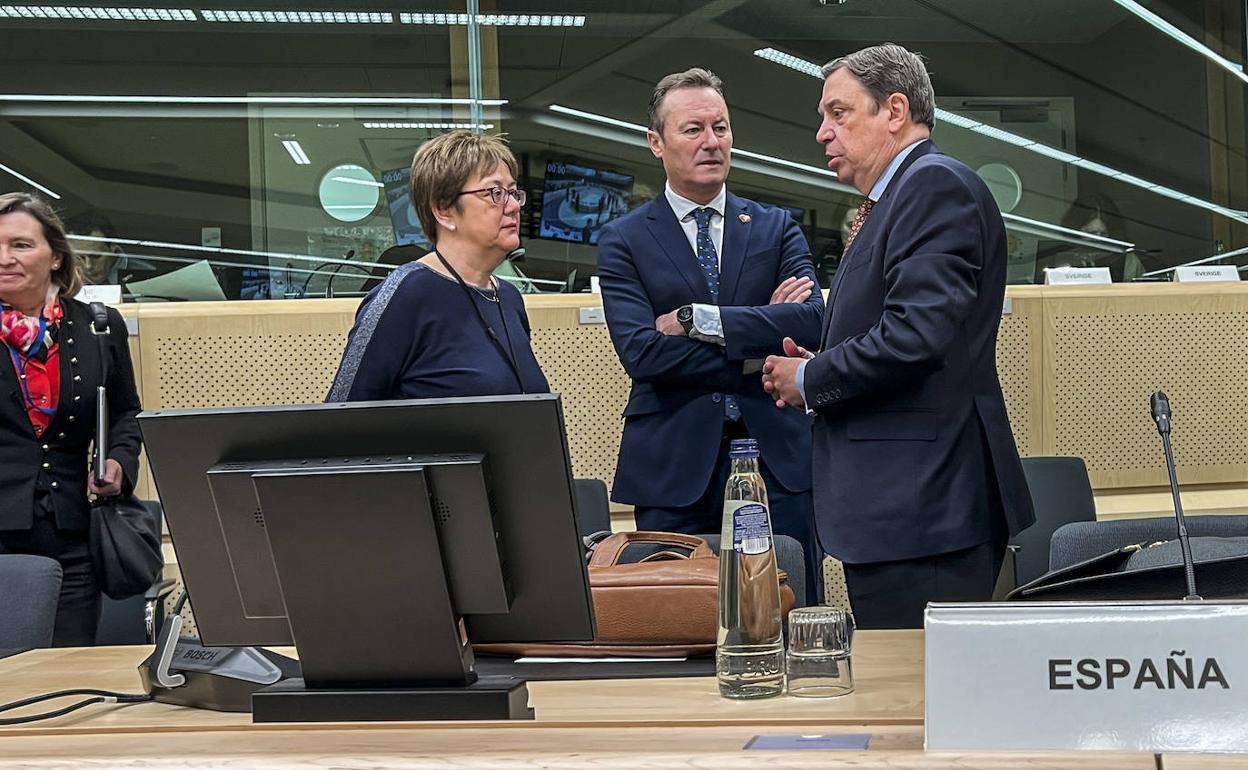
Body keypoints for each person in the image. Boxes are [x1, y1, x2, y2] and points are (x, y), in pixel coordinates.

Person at [761, 44, 1035, 628]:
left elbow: (917, 334)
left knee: (921, 706)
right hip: (905, 513)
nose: (821, 133)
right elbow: (907, 328)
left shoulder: (932, 187)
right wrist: (822, 359)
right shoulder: (892, 201)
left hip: (925, 512)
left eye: (839, 113)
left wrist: (811, 378)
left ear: (894, 110)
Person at [596, 67, 826, 599]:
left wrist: (696, 323)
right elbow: (642, 353)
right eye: (693, 129)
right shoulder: (624, 240)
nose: (711, 142)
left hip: (779, 457)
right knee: (677, 616)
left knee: (792, 604)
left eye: (720, 128)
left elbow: (812, 320)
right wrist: (758, 343)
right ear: (657, 142)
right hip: (673, 463)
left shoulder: (775, 227)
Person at [0, 192, 142, 645]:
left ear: (56, 256)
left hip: (72, 534)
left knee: (64, 673)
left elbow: (125, 413)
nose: (5, 258)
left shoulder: (98, 327)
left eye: (20, 245)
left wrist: (118, 462)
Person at [327, 131, 548, 401]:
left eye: (513, 192)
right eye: (496, 193)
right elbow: (340, 414)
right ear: (444, 210)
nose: (514, 206)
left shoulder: (509, 298)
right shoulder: (407, 294)